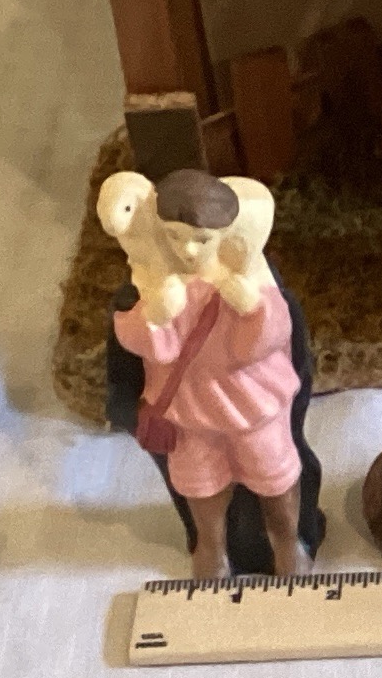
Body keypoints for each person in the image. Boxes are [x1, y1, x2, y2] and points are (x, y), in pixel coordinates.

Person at [107, 168, 306, 583]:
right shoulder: (155, 279)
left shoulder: (245, 276)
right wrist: (155, 315)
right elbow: (135, 338)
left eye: (201, 239)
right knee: (200, 482)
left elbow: (274, 335)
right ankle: (211, 548)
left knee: (274, 474)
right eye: (175, 237)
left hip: (251, 400)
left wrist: (252, 308)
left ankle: (288, 544)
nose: (188, 250)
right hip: (189, 405)